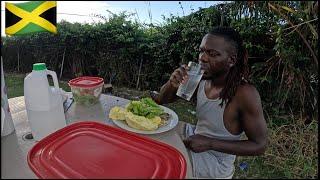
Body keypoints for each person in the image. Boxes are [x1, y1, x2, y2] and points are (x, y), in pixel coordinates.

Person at [153, 27, 267, 178]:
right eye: (202, 51)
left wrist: (210, 143)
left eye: (212, 54)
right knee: (153, 129)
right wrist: (171, 84)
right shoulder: (200, 78)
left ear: (231, 60)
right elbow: (162, 100)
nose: (203, 58)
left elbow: (260, 145)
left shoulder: (244, 93)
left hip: (215, 160)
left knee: (160, 155)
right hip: (196, 135)